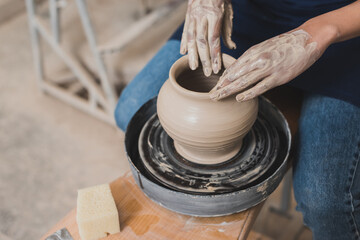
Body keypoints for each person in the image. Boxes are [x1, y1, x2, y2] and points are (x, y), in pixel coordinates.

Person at [115, 0, 360, 239]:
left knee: (326, 201)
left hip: (344, 28)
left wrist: (319, 32)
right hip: (251, 13)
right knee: (132, 107)